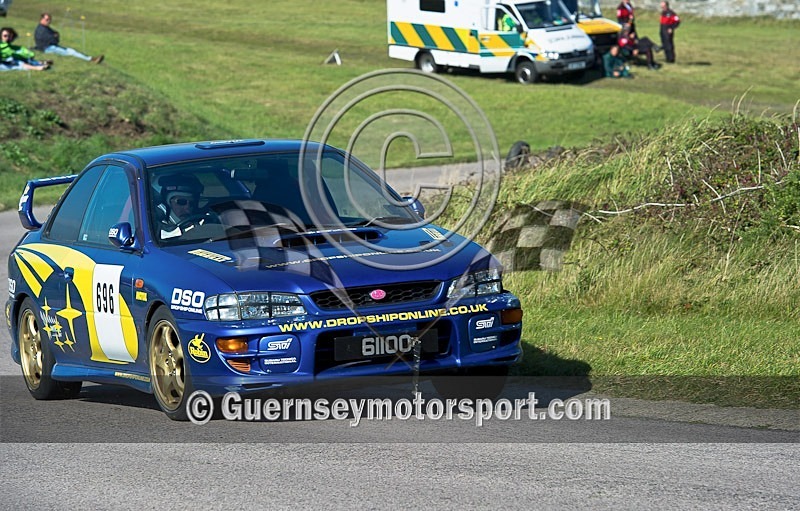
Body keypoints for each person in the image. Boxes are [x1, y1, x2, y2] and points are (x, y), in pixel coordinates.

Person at [34, 12, 104, 64]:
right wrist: (55, 37)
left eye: (50, 19)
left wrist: (55, 36)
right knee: (71, 52)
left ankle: (90, 58)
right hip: (47, 48)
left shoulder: (45, 27)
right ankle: (91, 59)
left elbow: (55, 35)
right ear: (42, 19)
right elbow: (52, 39)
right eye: (47, 19)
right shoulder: (41, 30)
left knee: (71, 50)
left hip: (50, 46)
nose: (49, 21)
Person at [156, 174, 205, 239]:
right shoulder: (155, 233)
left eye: (192, 203)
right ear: (167, 204)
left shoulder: (205, 224)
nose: (187, 208)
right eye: (182, 202)